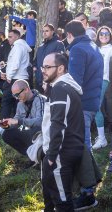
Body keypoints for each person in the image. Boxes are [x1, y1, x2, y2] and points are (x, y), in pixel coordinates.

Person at [40, 53, 85, 211]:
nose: (43, 70)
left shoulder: (60, 88)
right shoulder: (62, 87)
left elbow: (58, 124)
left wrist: (52, 156)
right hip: (62, 151)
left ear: (60, 69)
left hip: (61, 153)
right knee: (51, 198)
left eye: (47, 67)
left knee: (62, 202)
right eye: (42, 67)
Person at [65, 20, 103, 150]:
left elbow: (75, 82)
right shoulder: (94, 47)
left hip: (82, 103)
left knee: (83, 145)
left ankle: (90, 170)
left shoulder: (77, 49)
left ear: (69, 34)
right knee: (83, 142)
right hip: (93, 101)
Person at [92, 25, 112, 150]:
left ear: (110, 37)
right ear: (98, 36)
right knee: (95, 108)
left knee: (96, 106)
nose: (104, 35)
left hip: (103, 80)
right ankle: (100, 137)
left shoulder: (110, 49)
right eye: (101, 34)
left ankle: (102, 139)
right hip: (92, 81)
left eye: (106, 34)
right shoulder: (94, 48)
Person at [0, 79, 45, 157]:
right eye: (14, 96)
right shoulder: (20, 103)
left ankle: (39, 156)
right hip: (28, 130)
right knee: (7, 134)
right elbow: (16, 121)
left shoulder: (40, 99)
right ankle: (30, 156)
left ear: (26, 89)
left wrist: (18, 121)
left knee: (33, 130)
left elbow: (41, 122)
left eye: (17, 95)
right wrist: (7, 125)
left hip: (41, 133)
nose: (16, 98)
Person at [0, 29, 31, 118]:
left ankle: (3, 125)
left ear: (17, 37)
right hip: (20, 78)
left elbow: (15, 64)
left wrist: (9, 77)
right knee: (17, 104)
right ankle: (13, 126)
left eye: (10, 37)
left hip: (15, 79)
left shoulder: (18, 46)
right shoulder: (22, 46)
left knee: (7, 102)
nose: (8, 39)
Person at [33, 24, 65, 93]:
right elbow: (35, 62)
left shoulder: (58, 44)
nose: (44, 33)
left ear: (52, 31)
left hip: (52, 82)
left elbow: (60, 62)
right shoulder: (40, 47)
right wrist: (36, 70)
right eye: (43, 31)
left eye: (47, 31)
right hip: (39, 81)